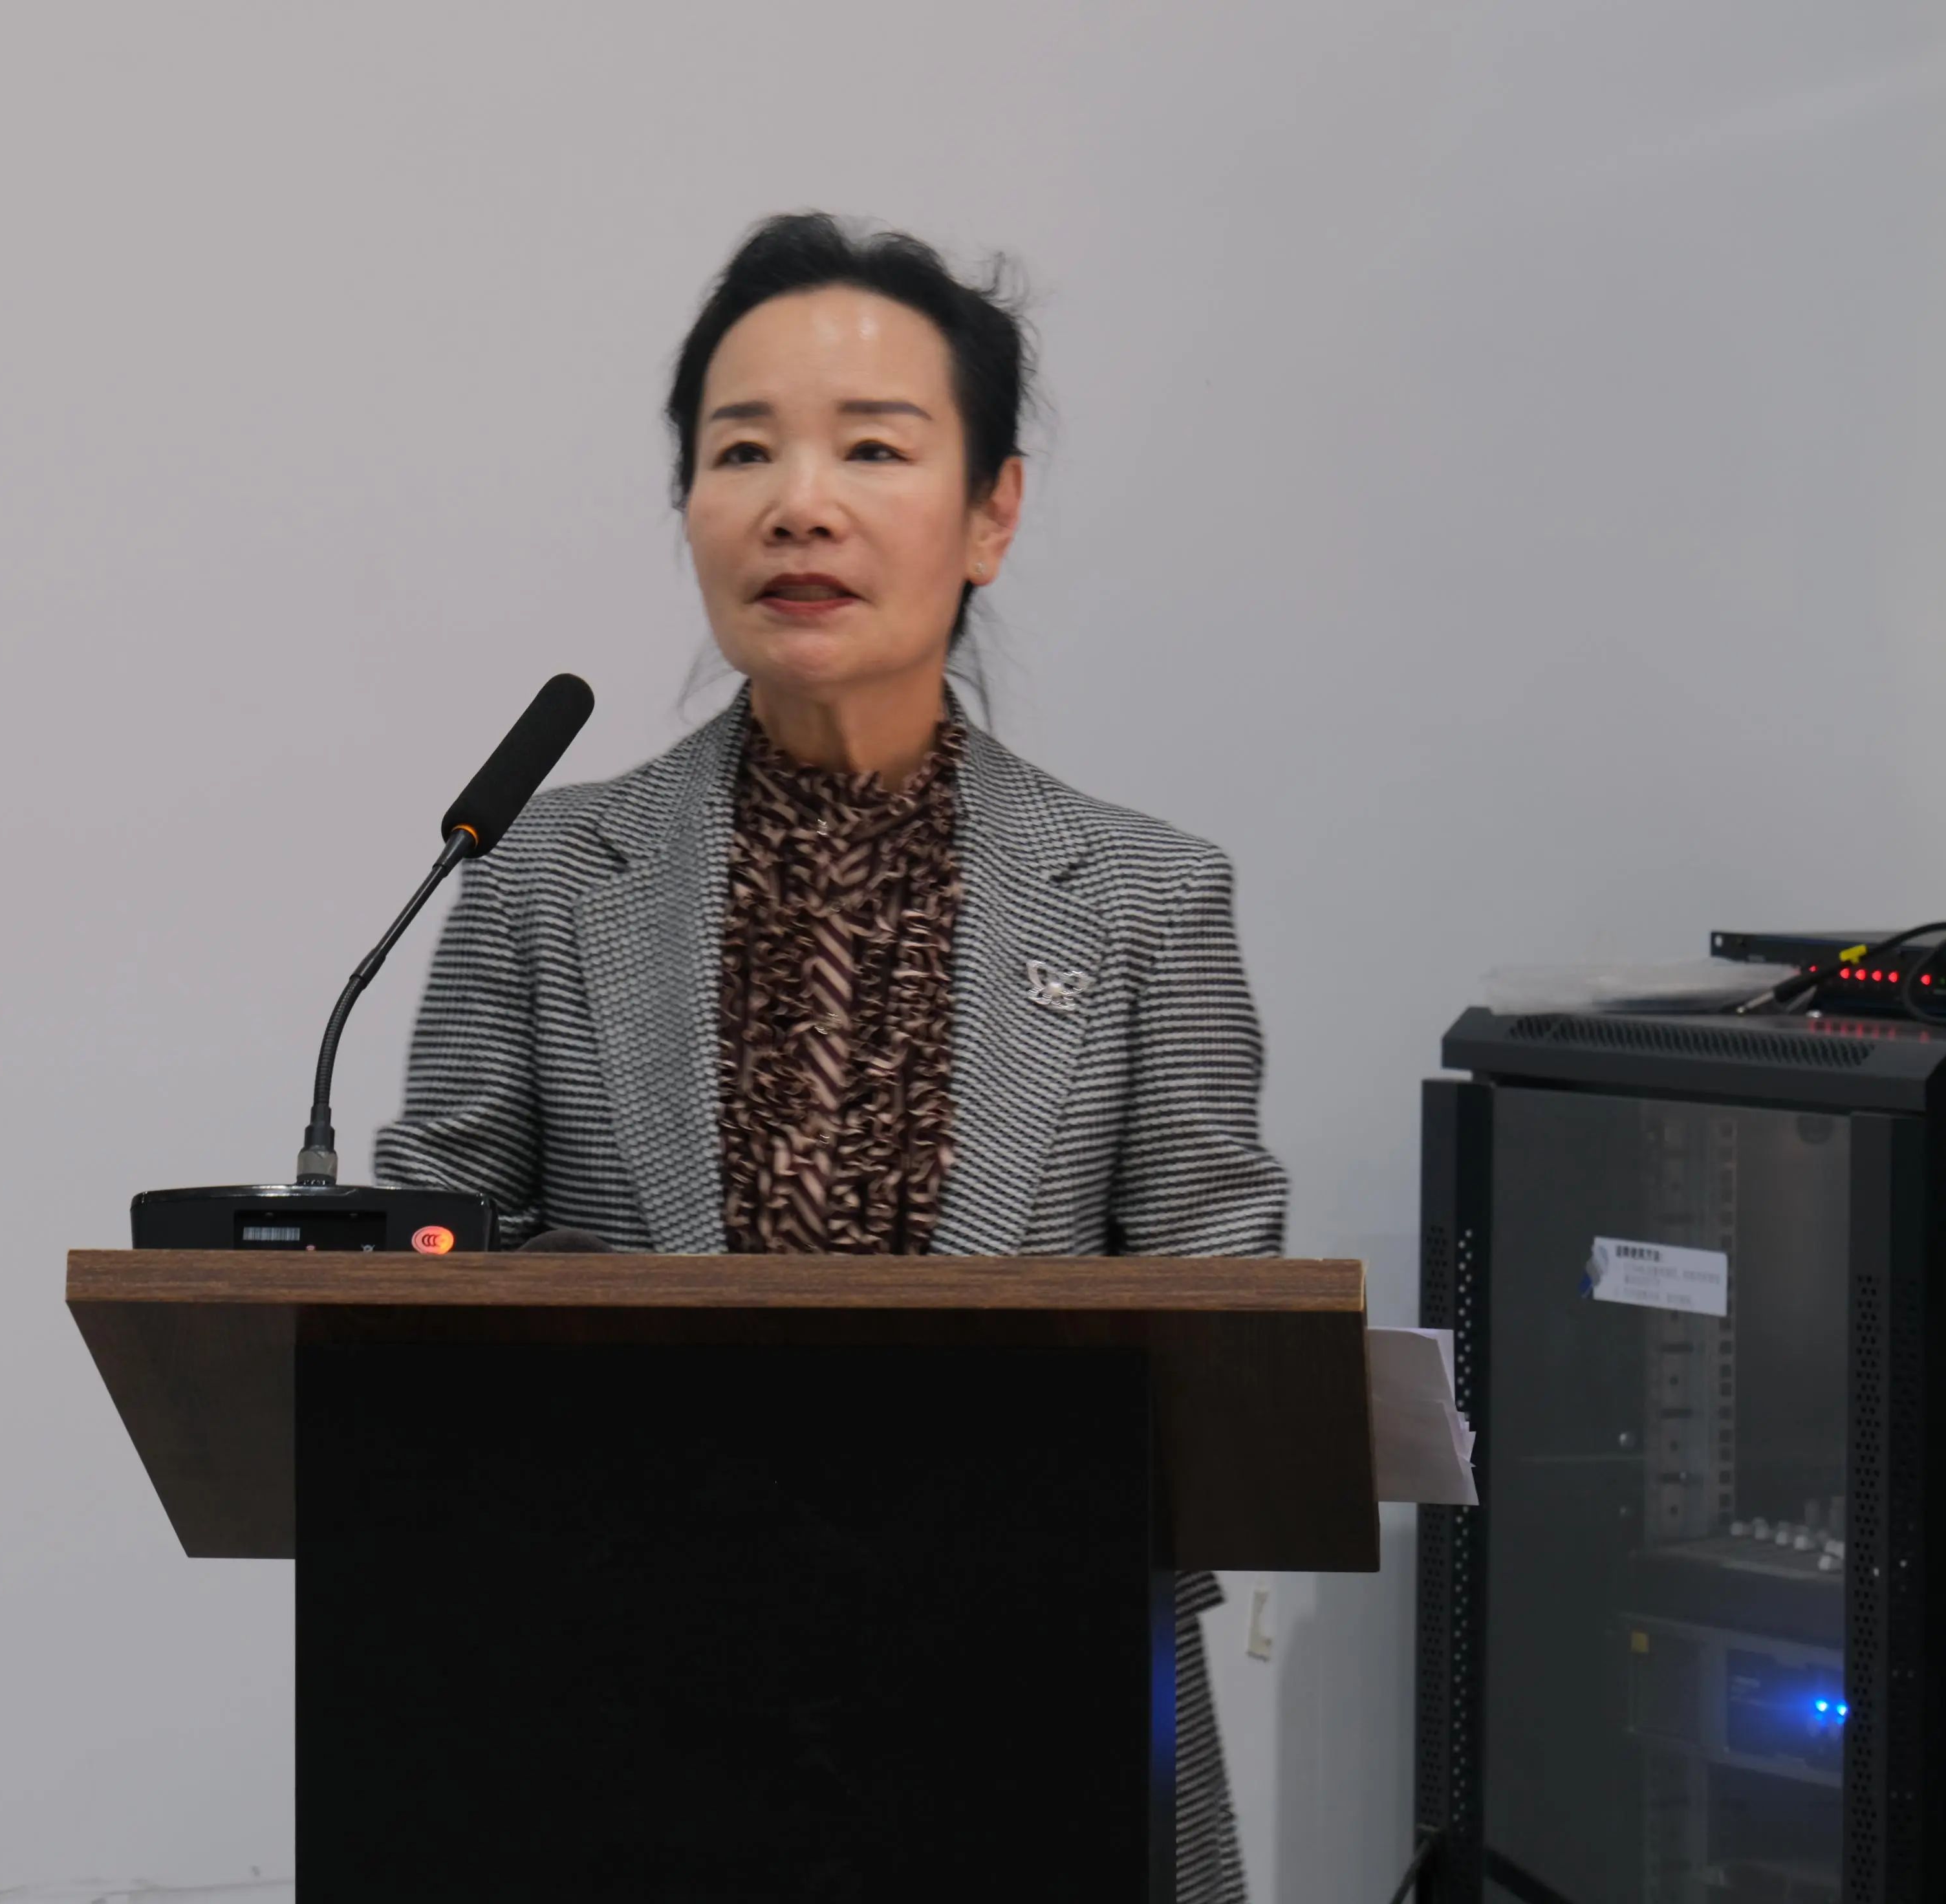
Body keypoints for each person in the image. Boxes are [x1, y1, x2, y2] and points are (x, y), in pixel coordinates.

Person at [372, 211, 1283, 1904]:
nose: (801, 502)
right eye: (743, 451)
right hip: (618, 1702)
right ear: (688, 508)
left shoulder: (1145, 895)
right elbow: (424, 1287)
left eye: (874, 447)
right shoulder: (545, 877)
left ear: (992, 512)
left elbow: (1225, 1326)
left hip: (1034, 1706)